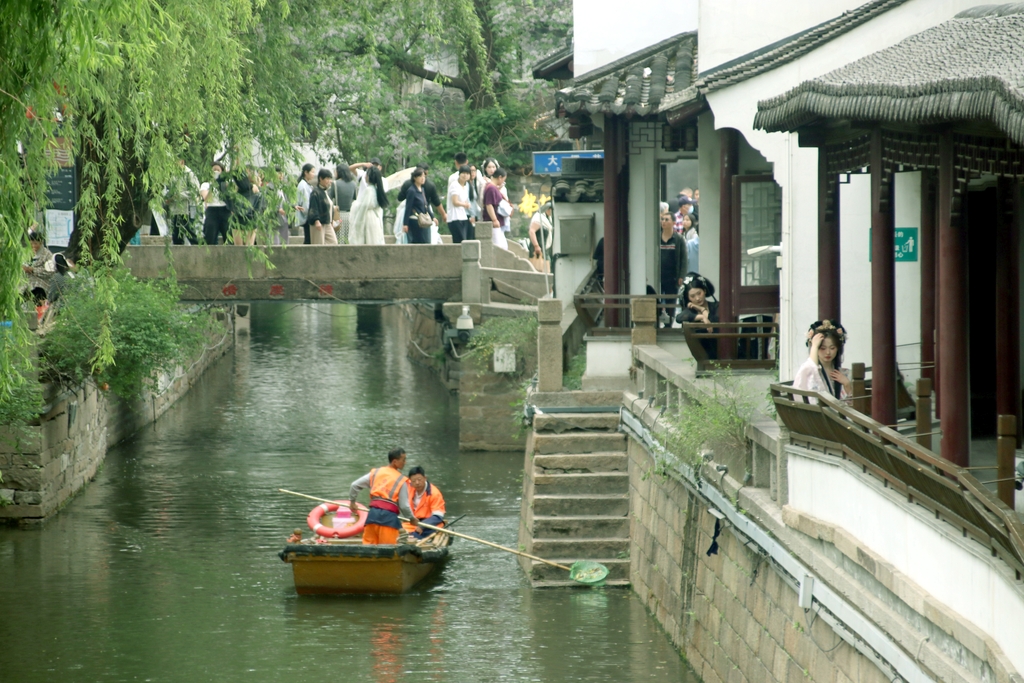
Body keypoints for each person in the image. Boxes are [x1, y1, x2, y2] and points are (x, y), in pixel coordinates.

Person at [348, 448, 418, 545]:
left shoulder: (376, 473)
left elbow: (354, 485)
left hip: (372, 517)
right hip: (388, 520)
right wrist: (412, 518)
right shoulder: (401, 480)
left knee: (369, 548)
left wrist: (352, 502)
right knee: (388, 550)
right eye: (403, 460)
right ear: (395, 461)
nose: (405, 462)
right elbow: (404, 506)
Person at [793, 320, 851, 402]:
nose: (828, 352)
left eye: (832, 348)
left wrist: (847, 384)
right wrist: (814, 346)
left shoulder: (845, 374)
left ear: (838, 349)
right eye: (822, 348)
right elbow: (811, 368)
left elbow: (853, 406)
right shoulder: (810, 370)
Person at [676, 273, 719, 358]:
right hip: (703, 352)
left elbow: (713, 322)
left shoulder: (716, 306)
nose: (697, 298)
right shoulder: (691, 311)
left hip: (722, 347)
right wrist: (702, 317)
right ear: (688, 298)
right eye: (692, 296)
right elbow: (679, 318)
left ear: (705, 290)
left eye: (699, 293)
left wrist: (702, 309)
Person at [401, 466, 446, 540]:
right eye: (414, 481)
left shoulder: (434, 493)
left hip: (430, 524)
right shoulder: (408, 488)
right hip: (413, 522)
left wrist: (422, 526)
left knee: (415, 536)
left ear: (425, 478)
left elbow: (438, 517)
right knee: (395, 531)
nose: (417, 483)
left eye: (419, 479)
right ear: (410, 481)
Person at [659, 211, 687, 325]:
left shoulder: (678, 239)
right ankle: (657, 321)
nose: (663, 222)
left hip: (672, 276)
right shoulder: (657, 237)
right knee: (657, 300)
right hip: (659, 275)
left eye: (667, 220)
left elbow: (683, 258)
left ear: (673, 223)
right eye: (662, 219)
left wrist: (681, 275)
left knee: (671, 301)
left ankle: (669, 324)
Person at [348, 166, 388, 245]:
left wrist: (357, 225)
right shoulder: (376, 190)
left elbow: (363, 207)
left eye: (366, 175)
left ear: (369, 177)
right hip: (375, 219)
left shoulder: (369, 190)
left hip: (368, 220)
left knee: (369, 242)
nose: (365, 177)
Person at [165, 160, 200, 245]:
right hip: (175, 209)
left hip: (187, 208)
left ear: (182, 161)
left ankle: (199, 251)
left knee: (190, 231)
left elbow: (194, 191)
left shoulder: (189, 174)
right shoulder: (173, 174)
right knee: (176, 234)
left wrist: (178, 195)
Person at [200, 161, 231, 245]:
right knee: (210, 236)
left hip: (224, 209)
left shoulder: (226, 184)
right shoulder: (205, 185)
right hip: (212, 210)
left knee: (228, 235)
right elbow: (207, 199)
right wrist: (214, 185)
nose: (216, 172)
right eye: (214, 170)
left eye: (218, 170)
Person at [403, 168, 434, 244]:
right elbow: (408, 207)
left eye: (424, 176)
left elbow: (426, 205)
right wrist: (405, 224)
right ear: (415, 178)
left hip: (424, 220)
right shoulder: (411, 190)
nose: (423, 178)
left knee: (426, 242)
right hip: (415, 220)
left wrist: (432, 217)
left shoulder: (422, 190)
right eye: (420, 176)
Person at [305, 169, 334, 245]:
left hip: (327, 222)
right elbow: (313, 207)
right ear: (321, 179)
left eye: (330, 179)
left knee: (333, 242)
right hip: (318, 223)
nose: (329, 181)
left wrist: (331, 221)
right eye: (327, 179)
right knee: (318, 244)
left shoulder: (326, 192)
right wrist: (316, 221)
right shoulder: (316, 192)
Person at [23, 229, 54, 298]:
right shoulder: (25, 253)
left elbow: (50, 271)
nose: (33, 246)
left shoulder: (47, 254)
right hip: (26, 283)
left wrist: (33, 270)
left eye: (36, 243)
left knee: (38, 292)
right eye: (31, 243)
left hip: (41, 283)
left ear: (41, 243)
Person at [446, 164, 474, 243]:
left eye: (467, 173)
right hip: (454, 217)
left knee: (464, 240)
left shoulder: (465, 186)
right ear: (459, 173)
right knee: (459, 241)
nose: (465, 175)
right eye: (463, 173)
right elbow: (455, 202)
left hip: (462, 216)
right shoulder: (454, 185)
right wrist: (465, 205)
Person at [483, 167, 509, 249]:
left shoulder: (494, 188)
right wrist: (494, 219)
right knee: (499, 247)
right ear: (500, 177)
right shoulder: (491, 188)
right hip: (494, 222)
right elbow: (489, 204)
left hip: (498, 222)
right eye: (503, 179)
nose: (503, 182)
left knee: (504, 246)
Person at [331, 164, 357, 244]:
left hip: (338, 216)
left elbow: (329, 198)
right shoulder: (353, 184)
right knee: (348, 240)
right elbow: (355, 198)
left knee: (339, 240)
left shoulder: (335, 184)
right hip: (350, 216)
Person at [295, 163, 315, 244]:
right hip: (306, 216)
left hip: (306, 215)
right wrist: (310, 214)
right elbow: (305, 203)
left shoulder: (305, 184)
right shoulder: (303, 185)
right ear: (306, 172)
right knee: (308, 239)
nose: (314, 174)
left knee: (308, 238)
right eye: (312, 172)